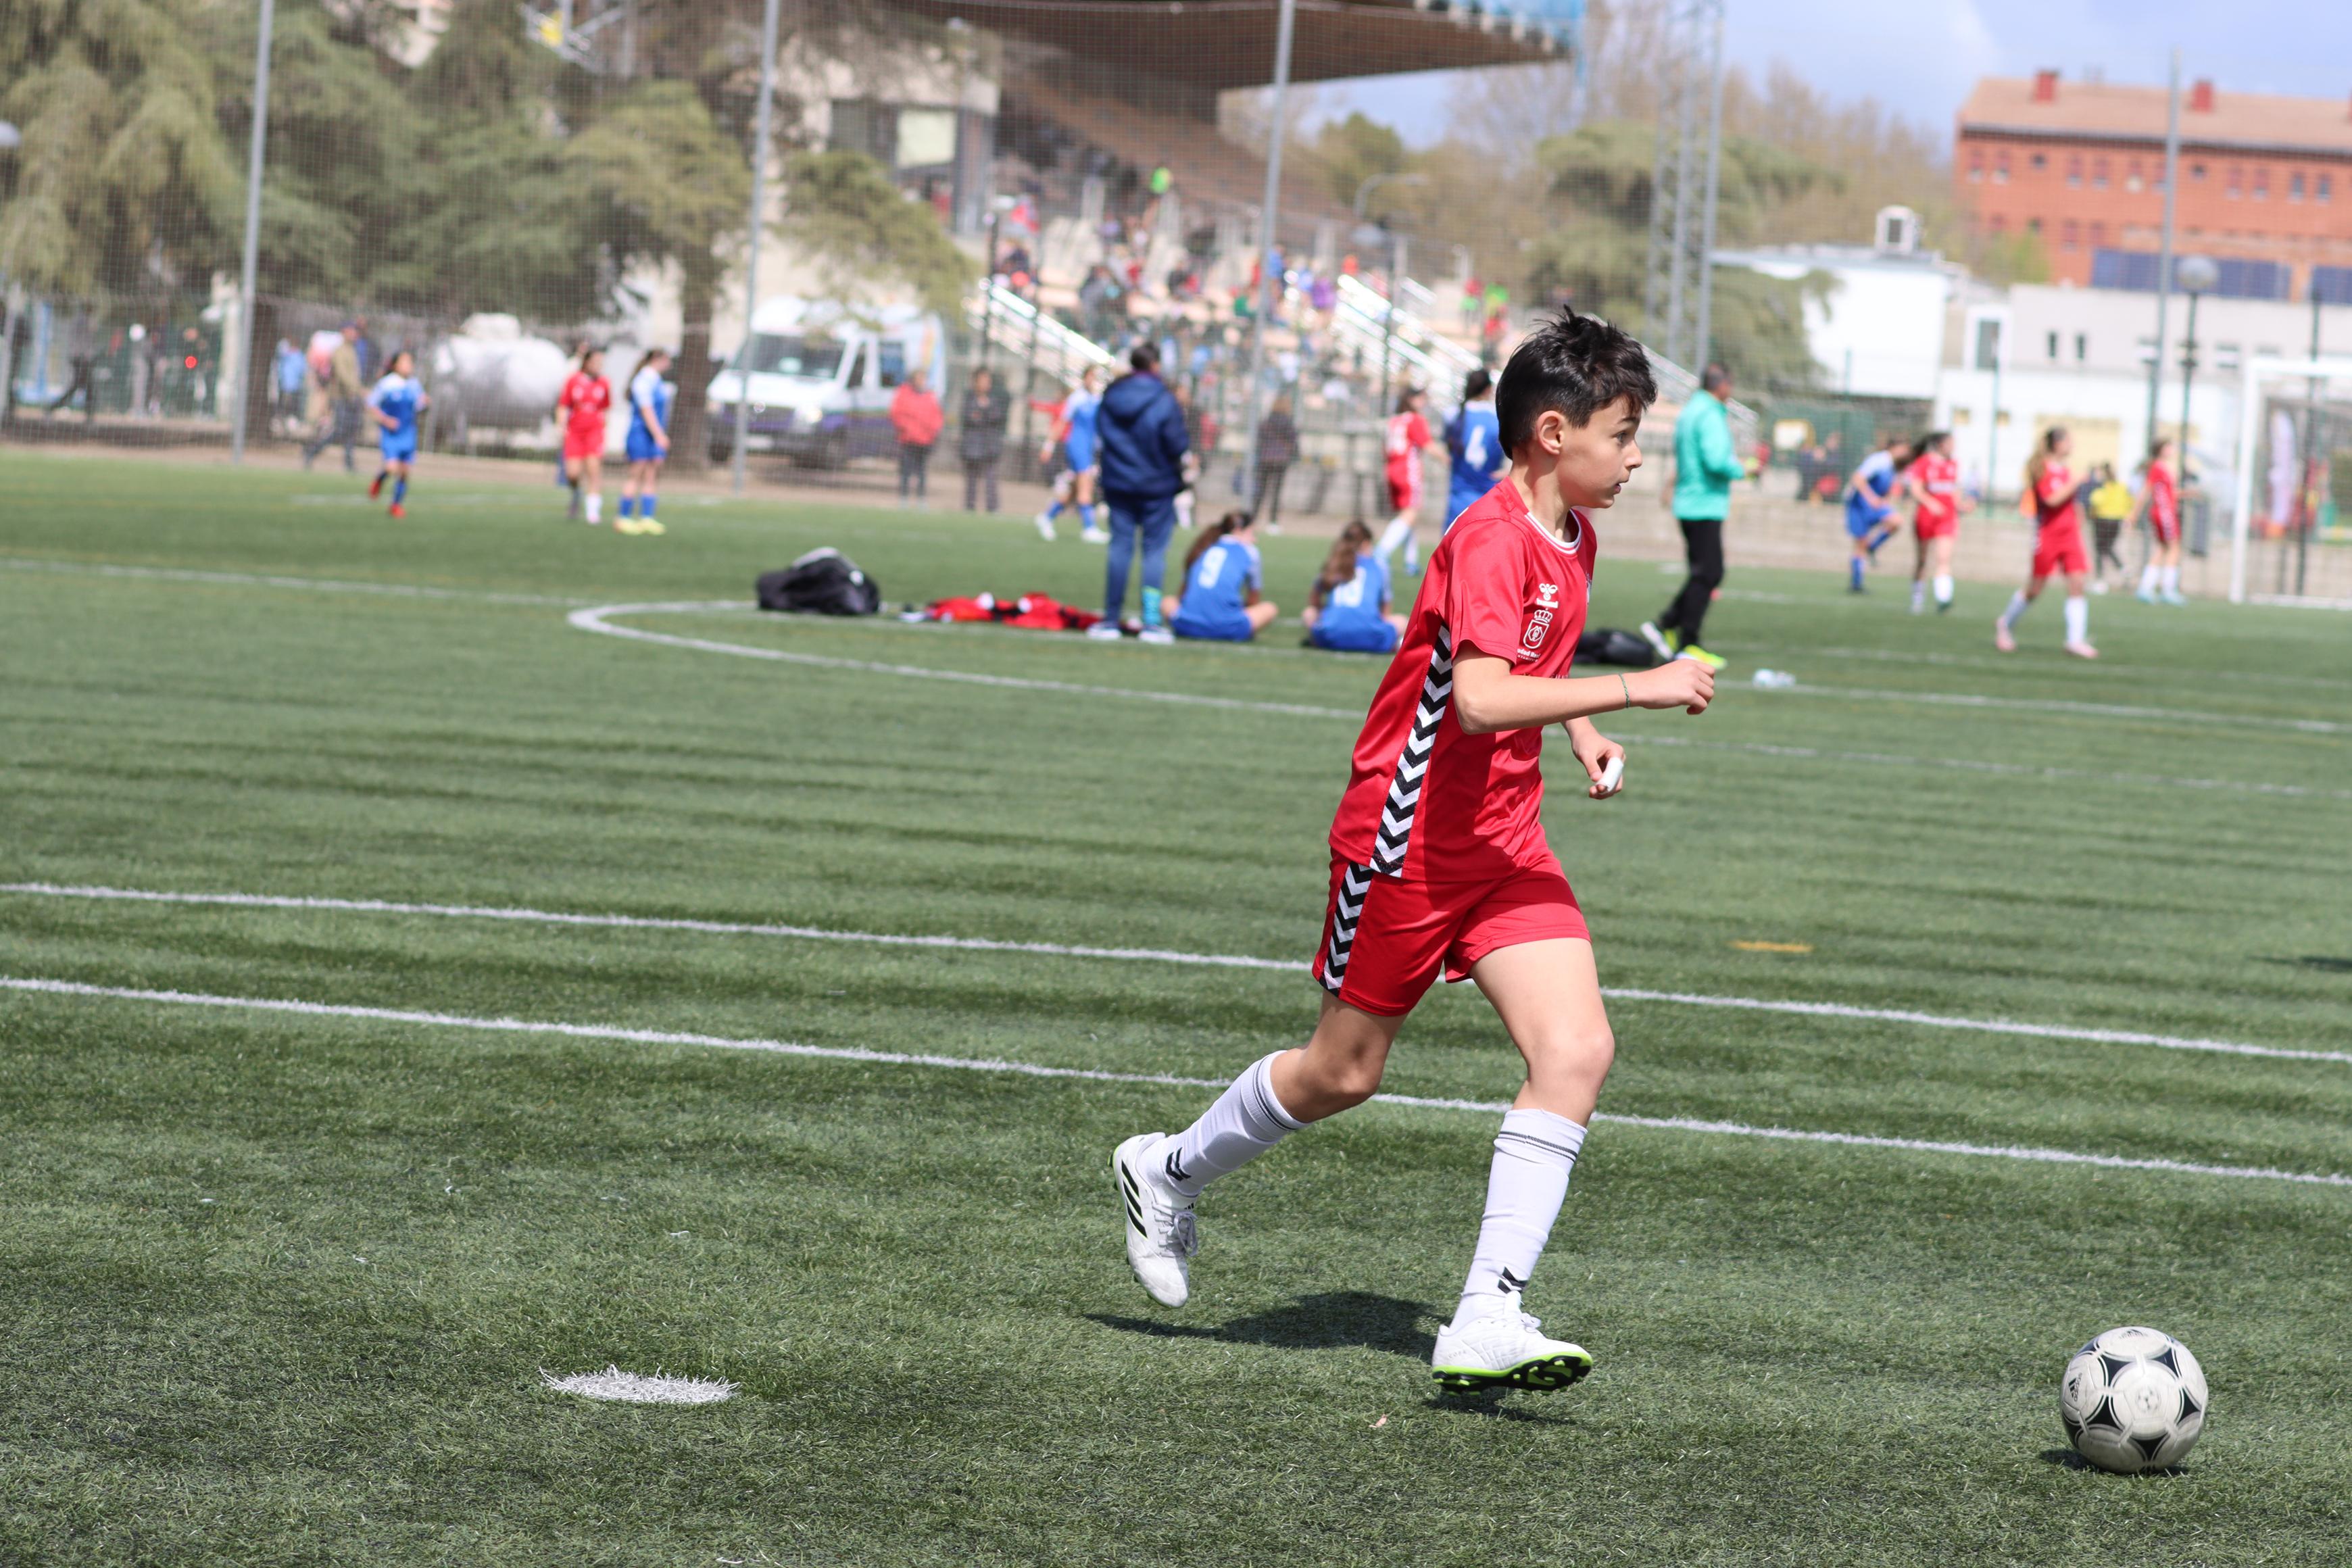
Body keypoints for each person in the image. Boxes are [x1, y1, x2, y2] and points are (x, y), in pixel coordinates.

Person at [1110, 310, 1716, 1395]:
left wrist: (1582, 730)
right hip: (1406, 844)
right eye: (1624, 436)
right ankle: (1168, 1169)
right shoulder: (1487, 537)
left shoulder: (1573, 535)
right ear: (1552, 434)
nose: (1636, 460)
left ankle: (1487, 1315)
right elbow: (1479, 699)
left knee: (1577, 1050)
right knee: (1342, 1074)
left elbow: (1536, 658)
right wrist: (1638, 686)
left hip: (1506, 844)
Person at [1641, 362, 1741, 670]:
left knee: (1705, 573)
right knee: (1709, 573)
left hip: (1690, 502)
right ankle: (1686, 641)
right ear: (1721, 385)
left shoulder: (1691, 411)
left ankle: (1667, 626)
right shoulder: (1709, 413)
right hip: (1703, 503)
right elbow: (1716, 460)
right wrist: (1744, 469)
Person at [1087, 343, 1190, 644]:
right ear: (1155, 365)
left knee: (1120, 548)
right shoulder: (1164, 398)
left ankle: (1111, 619)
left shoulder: (1112, 395)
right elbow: (1177, 443)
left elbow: (1102, 433)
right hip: (1157, 486)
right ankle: (1151, 622)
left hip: (1119, 482)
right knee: (1154, 553)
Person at [1996, 426, 2101, 658]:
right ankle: (2005, 624)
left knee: (2077, 584)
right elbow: (2052, 500)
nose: (2072, 445)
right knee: (2035, 588)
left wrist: (2079, 515)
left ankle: (2075, 641)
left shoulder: (2066, 471)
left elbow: (2071, 501)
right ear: (2057, 444)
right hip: (2048, 535)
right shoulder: (2041, 468)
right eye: (2069, 441)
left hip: (2070, 536)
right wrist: (2076, 482)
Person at [1167, 511, 1279, 641]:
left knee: (1167, 602)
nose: (1255, 539)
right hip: (1228, 629)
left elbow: (1182, 595)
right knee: (1270, 609)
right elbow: (1253, 599)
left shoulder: (1204, 546)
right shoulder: (1250, 551)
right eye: (1252, 533)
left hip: (1185, 625)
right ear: (1238, 530)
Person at [1302, 519, 1406, 654]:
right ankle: (1393, 645)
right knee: (1403, 621)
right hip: (1372, 638)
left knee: (1309, 613)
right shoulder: (1379, 566)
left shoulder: (1335, 563)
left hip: (1330, 637)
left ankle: (1318, 640)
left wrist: (1329, 612)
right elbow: (1385, 611)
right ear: (1366, 543)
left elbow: (1314, 600)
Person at [1904, 430, 1971, 614]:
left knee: (1944, 558)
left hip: (1947, 518)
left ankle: (1943, 599)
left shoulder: (1954, 464)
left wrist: (1962, 506)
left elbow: (1955, 492)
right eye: (1951, 443)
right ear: (1941, 445)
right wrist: (1931, 503)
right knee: (1922, 560)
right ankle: (1917, 599)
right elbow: (1916, 490)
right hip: (1925, 517)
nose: (1954, 447)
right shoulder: (1924, 462)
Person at [1373, 387, 1438, 575]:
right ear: (1411, 400)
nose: (1424, 402)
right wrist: (1449, 460)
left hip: (1392, 469)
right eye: (1421, 398)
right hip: (1408, 471)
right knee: (1409, 515)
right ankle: (1381, 552)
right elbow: (1428, 445)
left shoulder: (1394, 420)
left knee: (1407, 516)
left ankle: (1411, 562)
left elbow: (1385, 449)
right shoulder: (1415, 419)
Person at [1035, 366, 1104, 542]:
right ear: (1085, 377)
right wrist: (1049, 446)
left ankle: (1047, 517)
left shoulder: (1098, 398)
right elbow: (1061, 422)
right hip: (1077, 445)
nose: (1094, 380)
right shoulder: (1077, 398)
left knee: (1075, 489)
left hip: (1089, 447)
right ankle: (1089, 528)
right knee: (1086, 485)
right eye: (1092, 376)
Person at [1842, 435, 1913, 593]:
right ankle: (1856, 583)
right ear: (1894, 448)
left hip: (1875, 505)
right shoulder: (1879, 460)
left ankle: (1873, 547)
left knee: (1896, 521)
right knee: (1860, 543)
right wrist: (1872, 498)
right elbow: (1858, 478)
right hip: (1859, 504)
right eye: (1904, 449)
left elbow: (1889, 486)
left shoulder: (1895, 466)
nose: (1906, 453)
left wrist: (1888, 499)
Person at [363, 349, 427, 520]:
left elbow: (419, 406)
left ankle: (396, 505)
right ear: (395, 365)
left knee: (404, 471)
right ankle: (379, 479)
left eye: (410, 362)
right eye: (405, 362)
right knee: (392, 468)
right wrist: (385, 420)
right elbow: (371, 405)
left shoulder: (414, 384)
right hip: (391, 433)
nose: (409, 366)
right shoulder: (387, 383)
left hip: (408, 432)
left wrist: (425, 403)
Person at [616, 347, 672, 537]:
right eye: (667, 359)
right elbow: (646, 410)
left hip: (652, 436)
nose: (669, 364)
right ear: (657, 359)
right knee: (635, 474)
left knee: (651, 475)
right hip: (640, 434)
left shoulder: (656, 380)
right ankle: (623, 518)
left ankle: (646, 518)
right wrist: (659, 435)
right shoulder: (643, 380)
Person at [556, 346, 612, 524]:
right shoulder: (573, 381)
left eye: (601, 362)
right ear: (587, 362)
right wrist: (561, 427)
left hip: (594, 432)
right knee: (572, 474)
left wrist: (605, 430)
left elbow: (606, 409)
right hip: (575, 432)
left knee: (593, 470)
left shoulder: (604, 383)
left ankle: (593, 513)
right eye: (596, 362)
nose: (599, 365)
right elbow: (563, 405)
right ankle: (576, 494)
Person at [301, 322, 365, 472]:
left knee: (351, 431)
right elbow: (343, 375)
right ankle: (311, 451)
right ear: (344, 332)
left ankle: (349, 463)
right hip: (341, 397)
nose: (354, 334)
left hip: (352, 396)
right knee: (340, 430)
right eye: (351, 331)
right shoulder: (339, 351)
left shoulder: (352, 350)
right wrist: (356, 389)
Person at [1445, 368, 1505, 530]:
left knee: (1452, 542)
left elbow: (1449, 448)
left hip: (1458, 494)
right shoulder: (1497, 418)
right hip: (1486, 494)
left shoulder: (1453, 414)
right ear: (1488, 389)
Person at [2131, 437, 2188, 605]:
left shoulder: (2165, 468)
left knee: (2163, 548)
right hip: (2164, 512)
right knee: (2174, 547)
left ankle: (2146, 587)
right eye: (2169, 447)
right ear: (2161, 449)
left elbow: (2170, 493)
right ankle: (2167, 589)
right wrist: (2134, 514)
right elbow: (2146, 491)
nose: (2172, 450)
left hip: (2165, 511)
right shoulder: (2157, 467)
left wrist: (2188, 493)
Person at [958, 368, 1010, 513]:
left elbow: (997, 418)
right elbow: (970, 418)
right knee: (972, 479)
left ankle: (992, 507)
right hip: (973, 447)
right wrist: (983, 416)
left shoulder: (994, 401)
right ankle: (970, 506)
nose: (986, 384)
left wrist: (981, 415)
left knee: (991, 479)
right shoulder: (969, 399)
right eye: (982, 380)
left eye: (988, 381)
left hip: (990, 447)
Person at [891, 368, 944, 507]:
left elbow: (937, 417)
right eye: (919, 378)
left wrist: (932, 431)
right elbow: (897, 413)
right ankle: (904, 498)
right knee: (906, 470)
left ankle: (921, 498)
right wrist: (906, 428)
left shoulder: (930, 396)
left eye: (924, 379)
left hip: (925, 441)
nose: (922, 381)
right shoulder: (904, 394)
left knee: (921, 471)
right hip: (908, 439)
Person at [1252, 395, 1300, 531]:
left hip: (1265, 459)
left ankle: (1253, 520)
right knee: (1276, 493)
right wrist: (1296, 456)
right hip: (1281, 460)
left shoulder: (1266, 421)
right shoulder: (1288, 423)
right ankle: (1272, 522)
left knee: (1261, 491)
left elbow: (1259, 440)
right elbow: (1293, 441)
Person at [2085, 464, 2134, 591]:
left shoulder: (2102, 487)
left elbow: (2096, 501)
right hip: (2117, 520)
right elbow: (2129, 502)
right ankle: (2122, 568)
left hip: (2102, 519)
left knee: (2100, 549)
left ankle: (2100, 580)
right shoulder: (2121, 487)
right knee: (2108, 547)